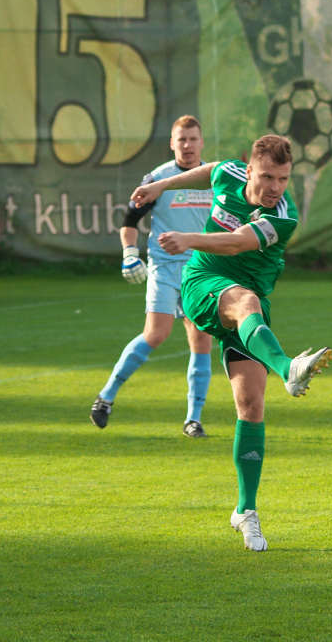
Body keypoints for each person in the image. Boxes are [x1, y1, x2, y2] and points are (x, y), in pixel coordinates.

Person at [131, 134, 332, 552]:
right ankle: (288, 369)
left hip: (249, 315)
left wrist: (190, 239)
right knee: (245, 299)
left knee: (251, 406)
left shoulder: (283, 215)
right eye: (267, 176)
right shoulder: (230, 172)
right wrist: (158, 186)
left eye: (282, 178)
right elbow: (208, 173)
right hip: (204, 284)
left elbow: (239, 241)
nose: (275, 186)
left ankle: (246, 511)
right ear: (251, 168)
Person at [90, 116, 216, 438]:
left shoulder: (215, 178)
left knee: (201, 340)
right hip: (165, 266)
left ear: (202, 143)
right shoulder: (158, 178)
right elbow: (129, 218)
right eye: (181, 139)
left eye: (193, 139)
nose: (187, 145)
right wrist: (129, 252)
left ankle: (193, 419)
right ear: (172, 144)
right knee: (156, 334)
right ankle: (105, 398)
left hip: (201, 269)